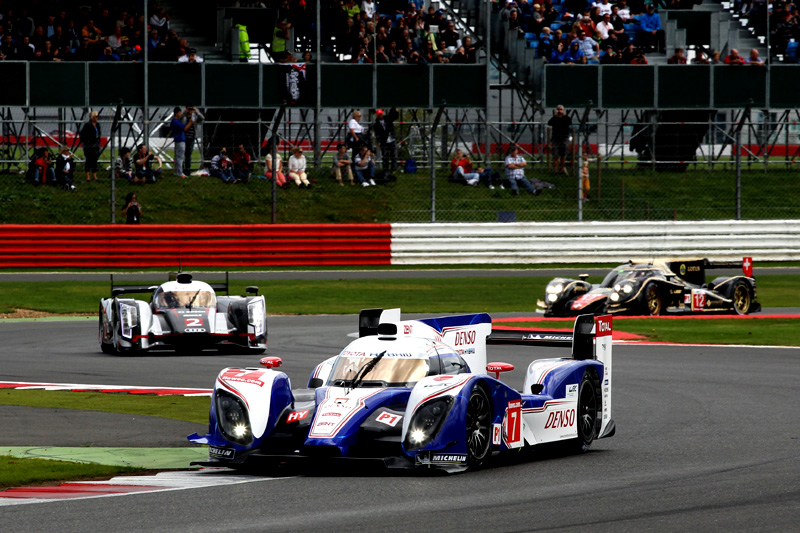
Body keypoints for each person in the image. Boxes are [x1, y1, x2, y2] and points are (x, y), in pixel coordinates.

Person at [548, 105, 573, 175]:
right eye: (558, 110)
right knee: (555, 155)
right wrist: (555, 116)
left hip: (564, 138)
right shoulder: (554, 119)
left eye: (561, 110)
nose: (559, 111)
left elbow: (570, 123)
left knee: (563, 154)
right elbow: (549, 123)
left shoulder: (566, 118)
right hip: (555, 138)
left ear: (563, 110)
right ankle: (555, 171)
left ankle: (562, 169)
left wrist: (563, 115)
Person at [373, 107, 398, 175]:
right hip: (384, 141)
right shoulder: (376, 124)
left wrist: (395, 110)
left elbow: (394, 117)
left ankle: (394, 169)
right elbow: (377, 134)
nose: (380, 116)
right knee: (385, 156)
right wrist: (379, 141)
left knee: (394, 155)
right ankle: (386, 169)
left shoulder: (387, 118)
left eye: (381, 114)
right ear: (377, 115)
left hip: (391, 139)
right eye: (379, 114)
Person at [170, 107, 192, 178]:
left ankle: (177, 172)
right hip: (180, 140)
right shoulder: (175, 121)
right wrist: (191, 122)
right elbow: (185, 128)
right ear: (176, 113)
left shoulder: (177, 121)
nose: (180, 114)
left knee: (178, 157)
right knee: (180, 157)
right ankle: (179, 172)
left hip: (179, 140)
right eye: (180, 112)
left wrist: (192, 113)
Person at [79, 110, 101, 182]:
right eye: (96, 116)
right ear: (92, 117)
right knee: (88, 160)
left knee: (94, 160)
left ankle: (94, 175)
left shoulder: (97, 125)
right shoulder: (87, 125)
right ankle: (87, 176)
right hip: (89, 145)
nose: (97, 118)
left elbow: (99, 134)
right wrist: (86, 142)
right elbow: (82, 134)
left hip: (95, 145)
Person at [181, 105, 203, 174]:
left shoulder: (193, 116)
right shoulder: (184, 116)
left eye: (191, 109)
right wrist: (184, 113)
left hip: (191, 137)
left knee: (188, 154)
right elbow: (178, 119)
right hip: (183, 137)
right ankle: (181, 169)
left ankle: (187, 169)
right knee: (182, 154)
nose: (190, 110)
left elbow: (202, 118)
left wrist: (196, 112)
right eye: (189, 109)